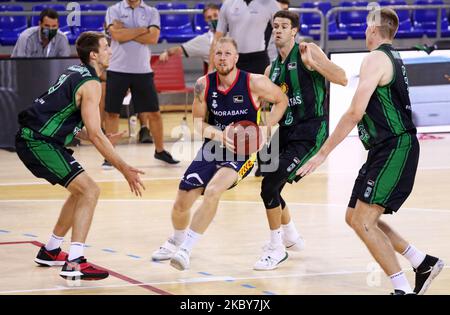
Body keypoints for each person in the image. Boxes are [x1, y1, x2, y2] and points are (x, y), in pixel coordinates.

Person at [296, 8, 444, 295]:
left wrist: (322, 153)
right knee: (356, 217)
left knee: (364, 221)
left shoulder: (375, 58)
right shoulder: (391, 57)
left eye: (366, 27)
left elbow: (354, 112)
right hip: (384, 148)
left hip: (395, 147)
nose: (364, 32)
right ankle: (421, 261)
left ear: (374, 30)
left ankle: (400, 288)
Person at [15, 31, 146, 281]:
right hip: (38, 141)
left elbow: (68, 120)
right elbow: (96, 135)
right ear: (94, 54)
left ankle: (51, 250)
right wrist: (124, 168)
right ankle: (74, 262)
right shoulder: (92, 84)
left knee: (81, 190)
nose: (110, 51)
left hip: (39, 138)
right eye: (106, 47)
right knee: (90, 191)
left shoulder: (75, 72)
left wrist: (99, 136)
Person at [151, 37, 289, 270]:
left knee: (213, 190)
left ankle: (186, 250)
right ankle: (176, 239)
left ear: (236, 58)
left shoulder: (254, 82)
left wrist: (266, 127)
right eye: (218, 54)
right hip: (212, 147)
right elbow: (197, 123)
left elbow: (281, 99)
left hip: (243, 152)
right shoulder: (203, 85)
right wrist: (218, 134)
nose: (222, 58)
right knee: (182, 200)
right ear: (212, 57)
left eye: (227, 54)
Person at [254, 10, 347, 270]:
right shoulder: (271, 70)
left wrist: (314, 63)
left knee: (270, 185)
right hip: (284, 131)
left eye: (284, 26)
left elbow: (341, 77)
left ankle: (277, 247)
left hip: (310, 130)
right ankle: (291, 235)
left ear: (294, 30)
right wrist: (261, 130)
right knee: (269, 184)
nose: (278, 30)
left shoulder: (309, 51)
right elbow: (268, 109)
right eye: (275, 26)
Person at [104, 0, 179, 167]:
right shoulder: (113, 10)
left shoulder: (152, 11)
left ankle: (160, 151)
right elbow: (117, 36)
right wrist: (142, 30)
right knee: (112, 113)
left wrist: (125, 31)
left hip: (142, 69)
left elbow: (153, 38)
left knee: (154, 113)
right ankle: (109, 156)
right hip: (117, 68)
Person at [159, 3, 220, 70]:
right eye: (209, 17)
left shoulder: (232, 33)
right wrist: (167, 52)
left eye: (215, 15)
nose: (213, 19)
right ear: (205, 20)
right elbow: (179, 49)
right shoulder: (203, 40)